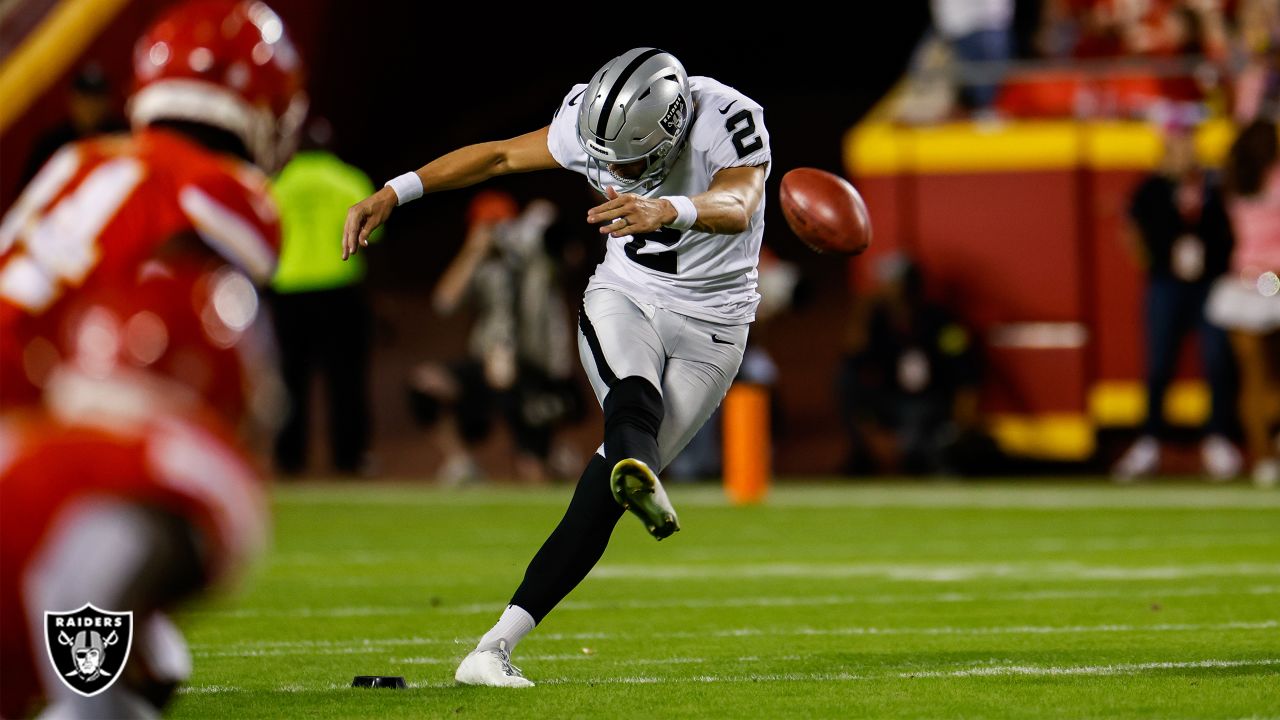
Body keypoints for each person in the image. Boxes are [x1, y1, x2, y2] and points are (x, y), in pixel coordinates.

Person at [343, 47, 770, 686]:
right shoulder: (591, 121)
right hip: (625, 293)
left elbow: (738, 203)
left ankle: (491, 647)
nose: (614, 171)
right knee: (631, 396)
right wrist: (395, 191)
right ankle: (497, 644)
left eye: (628, 161)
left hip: (717, 321)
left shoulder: (726, 116)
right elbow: (497, 156)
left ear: (672, 129)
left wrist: (669, 208)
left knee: (608, 483)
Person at [0, 0, 303, 714]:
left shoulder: (80, 161)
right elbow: (162, 345)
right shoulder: (221, 194)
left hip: (25, 419)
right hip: (37, 448)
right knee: (209, 479)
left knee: (141, 659)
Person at [407, 192, 580, 485]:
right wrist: (473, 250)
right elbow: (444, 302)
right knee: (426, 384)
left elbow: (565, 249)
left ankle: (553, 456)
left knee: (535, 470)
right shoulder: (482, 266)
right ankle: (462, 461)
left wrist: (539, 225)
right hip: (487, 365)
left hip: (534, 369)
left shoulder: (534, 256)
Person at [1111, 113, 1241, 482]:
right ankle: (1149, 441)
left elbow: (1234, 227)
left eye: (1189, 142)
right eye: (1177, 143)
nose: (1184, 151)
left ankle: (1217, 438)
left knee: (1217, 359)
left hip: (1211, 283)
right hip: (1166, 282)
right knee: (1158, 363)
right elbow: (1131, 230)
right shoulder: (1151, 188)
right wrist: (1155, 261)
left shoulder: (1214, 185)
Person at [270, 119, 378, 476]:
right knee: (346, 379)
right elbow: (373, 235)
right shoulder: (349, 181)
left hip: (289, 293)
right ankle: (350, 458)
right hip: (339, 289)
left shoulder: (277, 185)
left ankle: (289, 459)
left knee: (288, 381)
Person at [837, 252, 986, 476]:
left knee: (928, 440)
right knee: (845, 381)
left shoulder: (940, 322)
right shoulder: (878, 324)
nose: (895, 291)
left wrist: (960, 424)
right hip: (893, 404)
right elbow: (852, 361)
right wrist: (871, 433)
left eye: (899, 283)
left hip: (933, 404)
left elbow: (966, 372)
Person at [1208, 119, 1280, 486]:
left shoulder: (1236, 179)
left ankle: (1264, 458)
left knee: (1251, 380)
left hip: (1243, 281)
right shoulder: (1274, 177)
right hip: (1274, 281)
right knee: (1268, 381)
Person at [20, 63, 127, 186]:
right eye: (84, 98)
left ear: (108, 101)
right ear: (71, 98)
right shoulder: (52, 144)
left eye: (96, 99)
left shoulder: (124, 138)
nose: (90, 106)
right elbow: (28, 195)